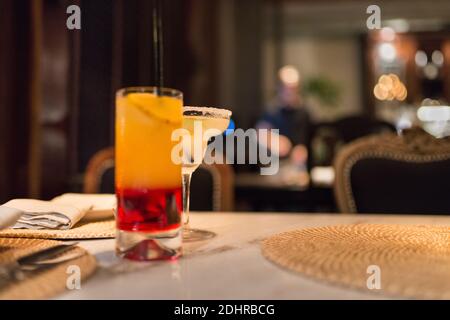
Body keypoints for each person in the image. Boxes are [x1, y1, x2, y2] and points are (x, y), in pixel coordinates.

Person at [256, 67, 311, 165]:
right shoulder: (271, 111)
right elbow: (260, 132)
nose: (290, 92)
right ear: (279, 87)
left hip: (297, 166)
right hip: (273, 164)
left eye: (293, 88)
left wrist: (301, 149)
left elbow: (305, 139)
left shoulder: (304, 113)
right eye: (286, 88)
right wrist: (272, 141)